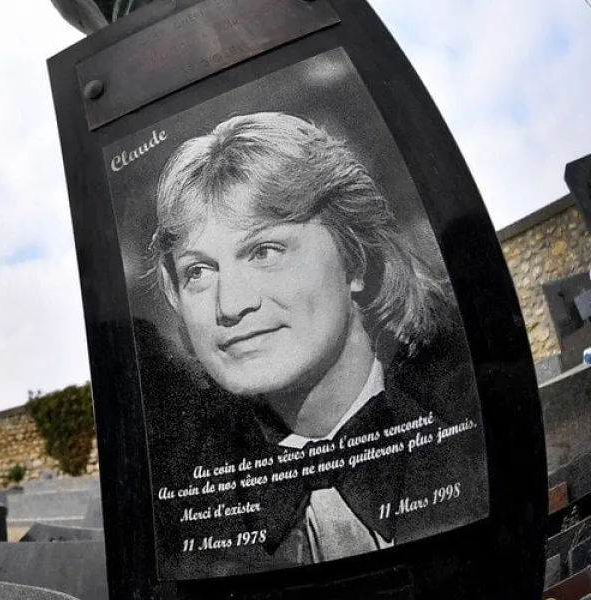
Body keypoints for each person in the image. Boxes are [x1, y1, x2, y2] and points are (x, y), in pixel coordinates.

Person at [142, 112, 486, 573]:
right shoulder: (179, 523)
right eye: (198, 271)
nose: (231, 305)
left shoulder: (473, 445)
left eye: (265, 251)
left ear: (355, 259)